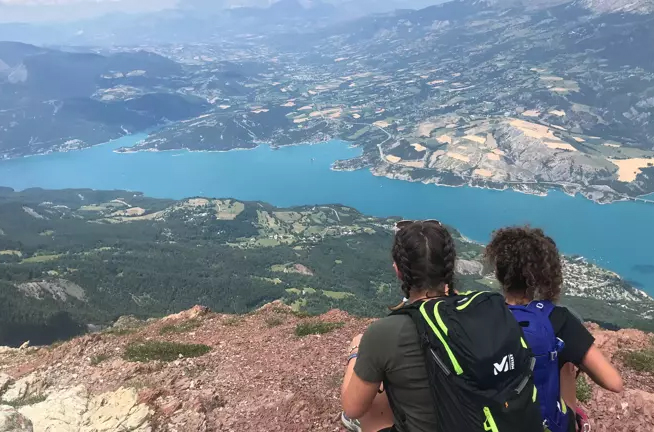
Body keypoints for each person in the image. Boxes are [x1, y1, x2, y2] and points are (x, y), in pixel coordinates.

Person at [485, 226, 624, 432]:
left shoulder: (482, 314)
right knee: (565, 362)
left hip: (493, 422)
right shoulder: (558, 319)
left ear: (499, 271)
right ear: (542, 275)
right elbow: (614, 382)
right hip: (543, 424)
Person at [340, 220, 455, 432]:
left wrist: (356, 352)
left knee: (375, 398)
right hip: (480, 422)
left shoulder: (386, 332)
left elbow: (351, 408)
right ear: (448, 268)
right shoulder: (481, 313)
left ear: (398, 271)